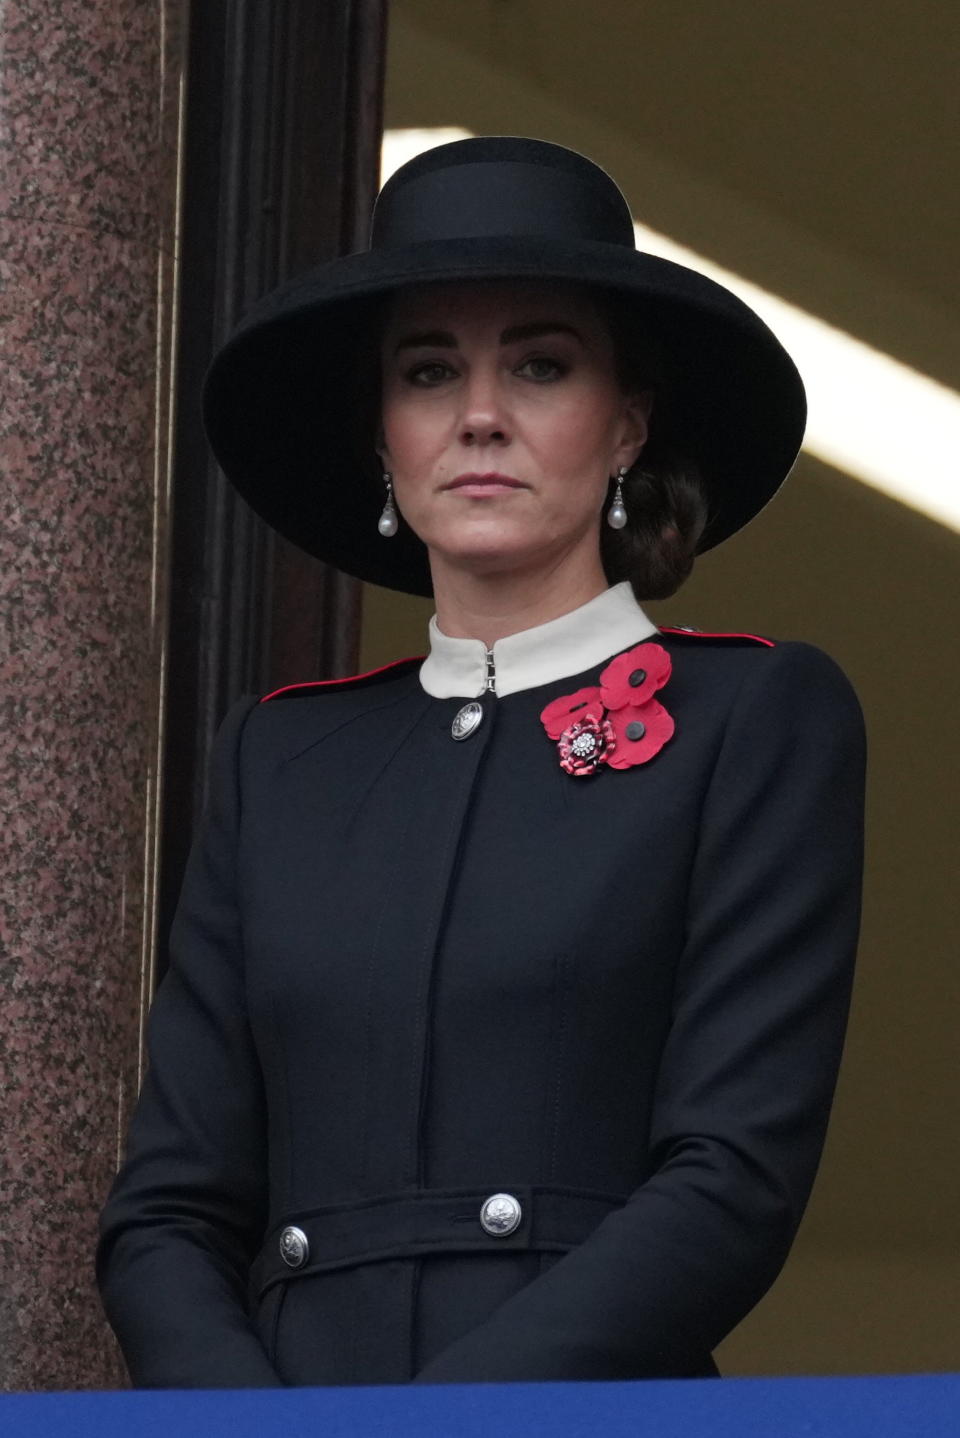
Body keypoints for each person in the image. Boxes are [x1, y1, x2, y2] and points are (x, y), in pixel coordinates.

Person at [96, 136, 865, 1388]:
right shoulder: (280, 759)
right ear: (384, 437)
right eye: (429, 369)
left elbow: (733, 1177)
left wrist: (442, 1427)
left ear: (628, 423)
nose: (481, 414)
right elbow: (168, 1213)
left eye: (542, 363)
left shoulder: (755, 715)